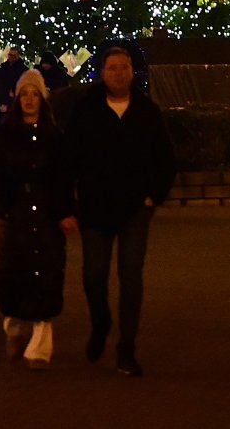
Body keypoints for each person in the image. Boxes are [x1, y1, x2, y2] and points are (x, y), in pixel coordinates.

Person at [58, 42, 175, 377]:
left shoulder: (146, 112)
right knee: (94, 275)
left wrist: (154, 195)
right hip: (95, 208)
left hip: (135, 209)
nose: (119, 73)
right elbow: (69, 160)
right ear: (102, 72)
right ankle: (100, 323)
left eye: (124, 67)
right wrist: (67, 205)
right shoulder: (87, 110)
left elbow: (165, 158)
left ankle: (127, 349)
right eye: (112, 68)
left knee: (131, 278)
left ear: (131, 72)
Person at [0, 70, 67, 367]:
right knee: (14, 274)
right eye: (25, 94)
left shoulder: (54, 136)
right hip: (17, 215)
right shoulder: (6, 134)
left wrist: (64, 212)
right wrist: (3, 205)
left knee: (45, 275)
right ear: (18, 97)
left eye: (35, 94)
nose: (30, 100)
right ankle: (14, 327)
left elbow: (63, 177)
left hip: (47, 216)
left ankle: (40, 348)